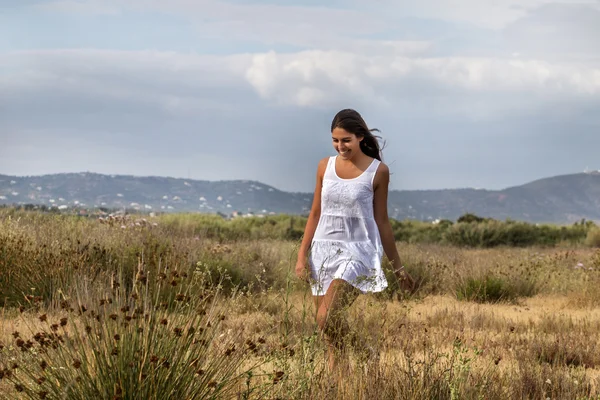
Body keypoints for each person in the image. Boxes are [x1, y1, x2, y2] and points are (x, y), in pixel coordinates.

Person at [295, 108, 415, 371]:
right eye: (335, 141)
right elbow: (315, 213)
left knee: (327, 316)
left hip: (359, 251)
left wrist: (398, 267)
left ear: (360, 137)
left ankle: (365, 352)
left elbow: (382, 221)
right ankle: (345, 385)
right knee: (329, 336)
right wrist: (302, 256)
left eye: (346, 140)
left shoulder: (378, 171)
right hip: (323, 251)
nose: (341, 146)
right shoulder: (324, 166)